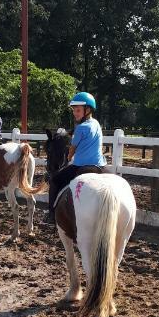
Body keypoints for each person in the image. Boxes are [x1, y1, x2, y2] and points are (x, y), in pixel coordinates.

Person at [46, 92, 106, 224]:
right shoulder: (96, 123)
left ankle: (51, 214)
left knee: (55, 181)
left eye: (78, 110)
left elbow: (72, 149)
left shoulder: (81, 128)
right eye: (74, 110)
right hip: (100, 166)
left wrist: (68, 157)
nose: (75, 113)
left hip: (81, 166)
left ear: (88, 110)